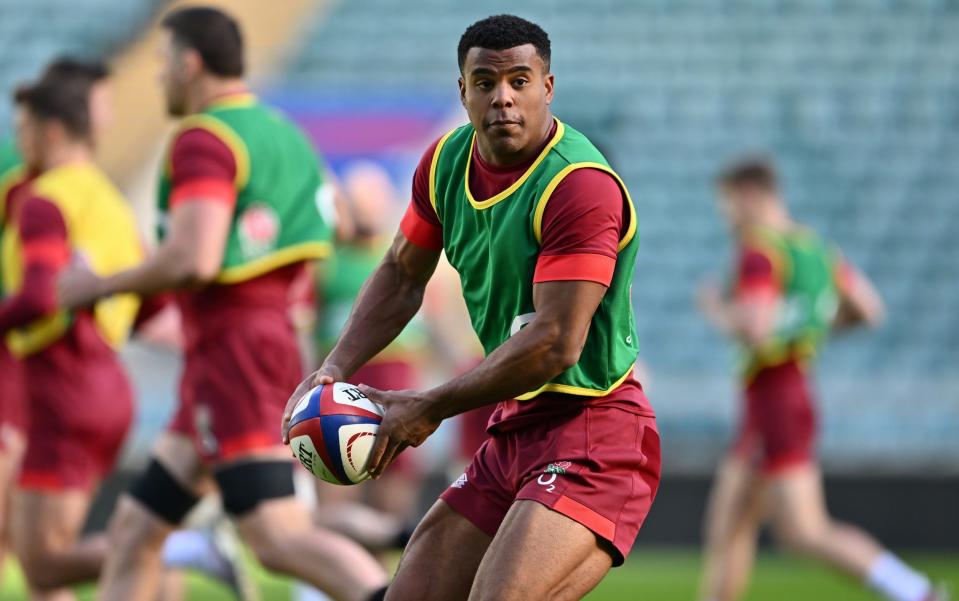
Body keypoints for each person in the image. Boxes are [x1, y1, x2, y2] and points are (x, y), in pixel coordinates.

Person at [282, 14, 661, 601]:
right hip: (513, 427)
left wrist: (429, 406)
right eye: (485, 82)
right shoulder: (444, 163)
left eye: (519, 80)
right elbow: (402, 273)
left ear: (548, 88)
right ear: (463, 91)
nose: (502, 97)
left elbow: (555, 343)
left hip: (594, 433)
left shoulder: (579, 186)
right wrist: (335, 367)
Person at [58, 7, 387, 601]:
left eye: (162, 64)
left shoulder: (205, 138)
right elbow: (339, 221)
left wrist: (96, 286)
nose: (158, 78)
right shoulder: (284, 133)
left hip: (234, 347)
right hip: (259, 341)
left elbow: (195, 259)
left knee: (278, 538)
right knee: (136, 531)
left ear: (189, 63)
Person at [696, 159, 945, 601]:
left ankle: (915, 590)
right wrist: (809, 327)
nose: (728, 217)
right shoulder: (814, 248)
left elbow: (757, 329)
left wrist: (716, 307)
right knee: (729, 524)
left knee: (804, 532)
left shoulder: (760, 250)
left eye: (729, 204)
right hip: (790, 390)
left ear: (749, 194)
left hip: (774, 394)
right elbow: (868, 308)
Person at [1, 70, 143, 600]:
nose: (19, 140)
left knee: (40, 560)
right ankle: (161, 546)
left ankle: (177, 548)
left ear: (52, 130)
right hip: (105, 381)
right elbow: (149, 297)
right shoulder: (108, 200)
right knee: (47, 560)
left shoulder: (44, 199)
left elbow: (40, 295)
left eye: (24, 127)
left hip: (61, 383)